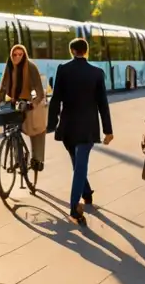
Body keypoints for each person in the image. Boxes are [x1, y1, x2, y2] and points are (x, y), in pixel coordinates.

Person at [47, 38, 113, 226]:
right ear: (86, 51)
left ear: (71, 51)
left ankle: (86, 193)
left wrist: (52, 124)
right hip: (88, 127)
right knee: (80, 165)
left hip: (68, 126)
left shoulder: (63, 70)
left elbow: (56, 99)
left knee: (77, 164)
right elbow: (103, 104)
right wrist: (108, 130)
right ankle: (74, 208)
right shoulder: (97, 73)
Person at [0, 44, 47, 171]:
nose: (16, 57)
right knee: (11, 129)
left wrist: (33, 104)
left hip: (28, 102)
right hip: (13, 102)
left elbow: (40, 92)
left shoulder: (31, 67)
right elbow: (3, 87)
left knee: (36, 129)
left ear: (24, 55)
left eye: (20, 55)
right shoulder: (9, 66)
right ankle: (17, 159)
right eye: (14, 55)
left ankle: (37, 159)